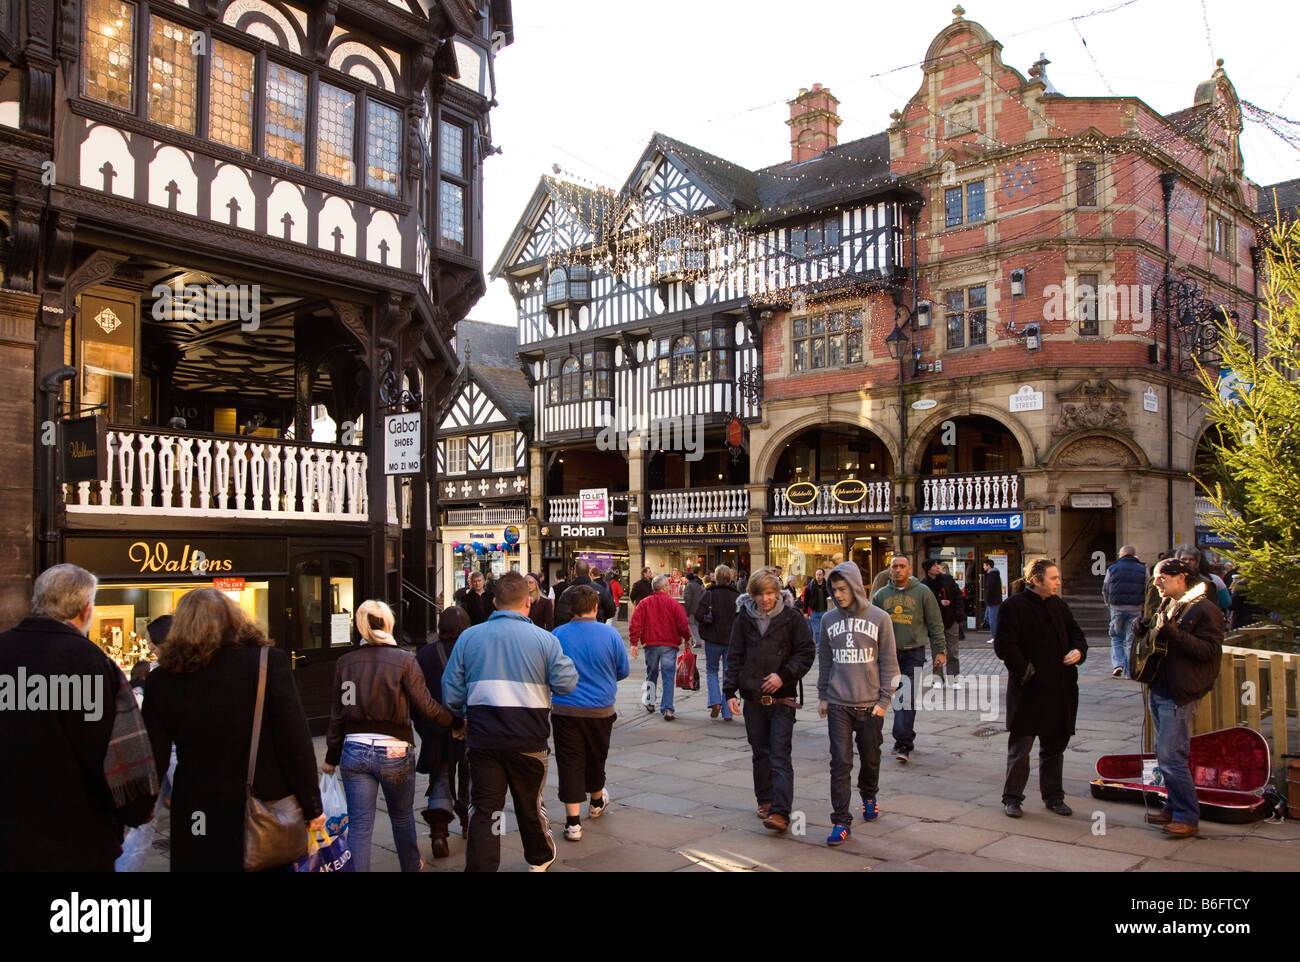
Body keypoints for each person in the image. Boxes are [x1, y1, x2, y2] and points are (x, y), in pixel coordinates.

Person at [143, 586, 322, 871]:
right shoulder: (266, 662)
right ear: (234, 619)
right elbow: (295, 742)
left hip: (198, 806)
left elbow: (153, 754)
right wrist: (312, 806)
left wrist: (142, 806)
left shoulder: (162, 679)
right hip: (262, 802)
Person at [0, 564, 158, 871]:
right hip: (77, 837)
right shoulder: (92, 663)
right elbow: (121, 750)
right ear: (86, 610)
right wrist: (138, 808)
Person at [442, 572, 578, 872]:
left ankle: (482, 865)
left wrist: (466, 711)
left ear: (494, 602)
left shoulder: (469, 637)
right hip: (528, 738)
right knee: (529, 804)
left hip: (483, 739)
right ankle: (539, 858)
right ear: (527, 603)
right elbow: (567, 683)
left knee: (485, 809)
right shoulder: (545, 640)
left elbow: (450, 692)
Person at [322, 600, 460, 872]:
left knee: (360, 825)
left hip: (355, 749)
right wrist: (454, 721)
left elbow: (339, 714)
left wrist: (331, 756)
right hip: (394, 750)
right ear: (388, 623)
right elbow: (426, 706)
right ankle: (410, 866)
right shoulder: (404, 661)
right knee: (401, 817)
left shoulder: (346, 663)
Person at [992, 560, 1086, 819]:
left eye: (1058, 577)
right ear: (1037, 580)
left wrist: (1078, 651)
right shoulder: (1013, 606)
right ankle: (1012, 798)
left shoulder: (1059, 605)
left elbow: (1077, 634)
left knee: (1055, 747)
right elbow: (1004, 645)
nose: (1058, 582)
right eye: (1054, 578)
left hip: (1060, 689)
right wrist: (1026, 669)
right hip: (1029, 690)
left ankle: (1054, 796)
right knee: (1021, 748)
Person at [1137, 557, 1223, 837]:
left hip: (1179, 691)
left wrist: (1174, 635)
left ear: (1181, 578)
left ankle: (1187, 816)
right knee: (1166, 755)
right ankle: (1174, 807)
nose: (1156, 583)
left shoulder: (1205, 609)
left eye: (1162, 578)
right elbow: (1160, 640)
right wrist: (1146, 629)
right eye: (1155, 577)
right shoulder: (1170, 604)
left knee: (1172, 756)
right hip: (1161, 687)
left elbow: (1209, 651)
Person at [725, 567, 815, 833]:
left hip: (783, 698)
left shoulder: (792, 618)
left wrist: (783, 676)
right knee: (760, 753)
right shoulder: (743, 619)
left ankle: (781, 812)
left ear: (778, 593)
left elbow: (806, 652)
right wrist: (730, 691)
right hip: (753, 697)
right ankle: (764, 800)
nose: (765, 599)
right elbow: (735, 655)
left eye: (770, 593)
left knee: (779, 754)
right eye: (760, 594)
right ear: (751, 595)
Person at [817, 562, 899, 846]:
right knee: (839, 763)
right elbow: (825, 660)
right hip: (839, 703)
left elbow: (889, 661)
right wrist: (823, 695)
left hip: (870, 704)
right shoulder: (828, 620)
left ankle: (869, 794)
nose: (838, 595)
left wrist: (884, 700)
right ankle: (841, 820)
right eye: (834, 589)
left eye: (842, 589)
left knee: (870, 757)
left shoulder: (880, 618)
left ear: (854, 586)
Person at [551, 585, 630, 841]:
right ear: (596, 607)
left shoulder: (558, 635)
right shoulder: (610, 635)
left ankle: (573, 823)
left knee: (570, 761)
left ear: (571, 608)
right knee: (597, 756)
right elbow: (623, 670)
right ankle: (596, 802)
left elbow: (549, 671)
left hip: (566, 709)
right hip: (600, 709)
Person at [871, 556, 946, 764]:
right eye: (894, 566)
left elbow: (935, 622)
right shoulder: (881, 595)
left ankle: (903, 742)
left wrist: (940, 650)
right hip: (888, 654)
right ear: (890, 569)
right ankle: (901, 737)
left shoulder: (923, 592)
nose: (898, 570)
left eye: (902, 566)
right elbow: (871, 626)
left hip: (914, 652)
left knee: (906, 696)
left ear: (909, 569)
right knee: (890, 697)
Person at [417, 606, 473, 857]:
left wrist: (425, 726)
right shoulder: (473, 651)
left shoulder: (425, 654)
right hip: (471, 724)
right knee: (471, 775)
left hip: (437, 727)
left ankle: (439, 832)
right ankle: (470, 822)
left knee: (440, 775)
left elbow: (416, 697)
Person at [628, 574, 692, 720]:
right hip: (669, 644)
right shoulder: (674, 604)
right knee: (668, 675)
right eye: (668, 586)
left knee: (651, 673)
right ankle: (668, 708)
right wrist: (687, 638)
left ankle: (650, 702)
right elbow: (682, 624)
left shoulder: (644, 603)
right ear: (664, 587)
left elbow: (635, 623)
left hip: (651, 644)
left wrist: (634, 643)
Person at [696, 565, 740, 721]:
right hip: (731, 640)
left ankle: (715, 701)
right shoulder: (737, 596)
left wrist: (706, 626)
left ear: (716, 577)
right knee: (728, 672)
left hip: (713, 638)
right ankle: (727, 711)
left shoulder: (709, 594)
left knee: (711, 670)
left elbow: (698, 615)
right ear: (730, 578)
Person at [1102, 545, 1146, 677]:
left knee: (1116, 637)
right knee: (1132, 639)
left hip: (1117, 607)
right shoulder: (1143, 569)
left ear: (1122, 555)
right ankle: (1129, 671)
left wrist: (1107, 602)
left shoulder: (1112, 568)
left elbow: (1105, 588)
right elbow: (1148, 587)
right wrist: (1143, 604)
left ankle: (1118, 664)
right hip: (1136, 608)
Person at [921, 560, 963, 688]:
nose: (937, 567)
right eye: (934, 565)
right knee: (937, 651)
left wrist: (958, 615)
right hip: (934, 623)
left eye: (937, 565)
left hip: (951, 620)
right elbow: (925, 603)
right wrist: (940, 602)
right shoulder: (924, 584)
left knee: (953, 652)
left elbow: (958, 596)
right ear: (928, 569)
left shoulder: (947, 579)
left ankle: (954, 679)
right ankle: (938, 679)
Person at [554, 559, 616, 626]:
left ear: (575, 572)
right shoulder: (600, 589)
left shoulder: (567, 592)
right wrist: (600, 620)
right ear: (588, 572)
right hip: (596, 629)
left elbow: (561, 617)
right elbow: (611, 611)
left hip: (574, 631)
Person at [801, 568, 831, 645]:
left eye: (820, 574)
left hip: (825, 611)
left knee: (824, 630)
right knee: (817, 631)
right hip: (814, 611)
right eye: (817, 574)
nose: (818, 576)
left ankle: (824, 645)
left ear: (823, 575)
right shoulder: (810, 586)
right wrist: (805, 612)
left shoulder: (828, 586)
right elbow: (806, 600)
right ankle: (818, 646)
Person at [683, 566, 706, 649]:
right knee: (695, 625)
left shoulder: (688, 586)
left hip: (691, 609)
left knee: (692, 625)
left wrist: (686, 610)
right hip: (698, 608)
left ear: (687, 579)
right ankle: (695, 641)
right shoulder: (698, 585)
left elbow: (687, 599)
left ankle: (697, 641)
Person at [982, 558, 1003, 641]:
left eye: (984, 565)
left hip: (993, 601)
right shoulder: (995, 574)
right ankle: (996, 636)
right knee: (993, 619)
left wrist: (986, 599)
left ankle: (995, 637)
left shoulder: (992, 575)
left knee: (992, 620)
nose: (983, 567)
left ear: (988, 566)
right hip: (995, 600)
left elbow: (990, 589)